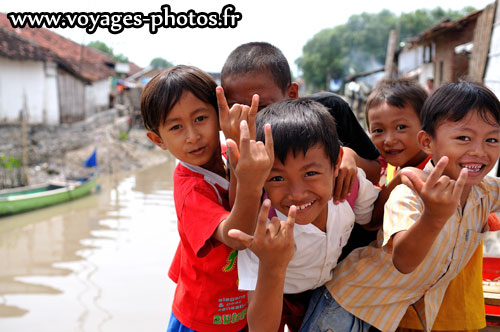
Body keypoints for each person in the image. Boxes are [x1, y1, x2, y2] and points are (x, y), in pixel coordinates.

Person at [298, 80, 500, 332]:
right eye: (464, 138)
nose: (479, 151)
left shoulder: (485, 191)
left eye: (492, 140)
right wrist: (434, 218)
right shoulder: (409, 191)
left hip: (385, 315)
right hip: (348, 304)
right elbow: (403, 261)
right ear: (427, 142)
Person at [140, 65, 275, 332]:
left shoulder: (229, 151)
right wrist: (247, 181)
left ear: (220, 115)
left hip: (239, 306)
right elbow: (238, 237)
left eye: (200, 118)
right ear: (158, 140)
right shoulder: (191, 189)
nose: (193, 136)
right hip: (203, 317)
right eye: (176, 127)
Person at [233, 98, 379, 332]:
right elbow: (260, 328)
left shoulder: (349, 188)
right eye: (277, 178)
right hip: (275, 294)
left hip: (324, 291)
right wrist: (272, 265)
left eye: (310, 173)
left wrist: (404, 179)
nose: (297, 194)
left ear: (337, 164)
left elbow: (373, 222)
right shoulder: (262, 227)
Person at [366, 78, 488, 331]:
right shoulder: (395, 171)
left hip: (448, 302)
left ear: (427, 134)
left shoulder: (441, 175)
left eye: (401, 127)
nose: (389, 139)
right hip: (415, 305)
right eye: (378, 130)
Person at [220, 41, 381, 199]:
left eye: (262, 108)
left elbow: (375, 172)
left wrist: (350, 157)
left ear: (292, 94)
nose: (251, 120)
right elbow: (239, 211)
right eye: (238, 110)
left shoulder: (331, 109)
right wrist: (239, 155)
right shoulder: (238, 140)